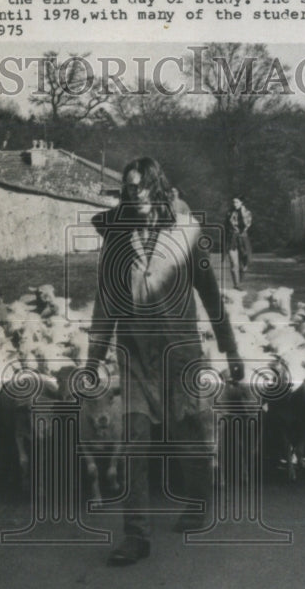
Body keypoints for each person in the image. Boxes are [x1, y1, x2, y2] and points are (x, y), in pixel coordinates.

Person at [87, 158, 243, 566]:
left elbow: (211, 296)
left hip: (182, 353)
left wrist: (231, 350)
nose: (133, 194)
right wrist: (93, 357)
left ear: (155, 188)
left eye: (139, 187)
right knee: (135, 444)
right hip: (137, 354)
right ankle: (136, 535)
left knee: (190, 437)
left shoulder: (188, 235)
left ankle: (197, 502)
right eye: (127, 188)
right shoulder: (118, 239)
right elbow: (106, 301)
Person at [225, 196, 253, 289]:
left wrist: (241, 213)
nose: (234, 204)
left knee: (245, 263)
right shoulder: (229, 213)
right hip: (232, 239)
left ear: (241, 203)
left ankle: (239, 282)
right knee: (234, 263)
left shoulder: (247, 213)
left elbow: (247, 224)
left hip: (243, 239)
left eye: (236, 202)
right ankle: (236, 285)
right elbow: (225, 225)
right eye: (233, 202)